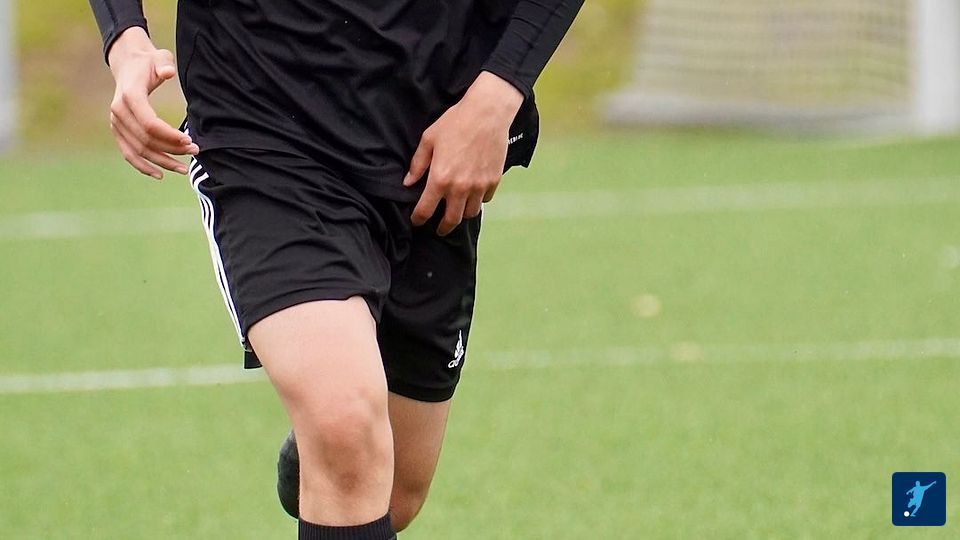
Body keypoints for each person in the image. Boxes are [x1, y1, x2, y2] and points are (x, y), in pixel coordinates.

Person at [88, 0, 582, 538]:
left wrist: (498, 95)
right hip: (265, 118)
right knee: (345, 423)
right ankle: (333, 421)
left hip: (432, 132)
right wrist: (125, 39)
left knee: (393, 492)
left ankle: (327, 437)